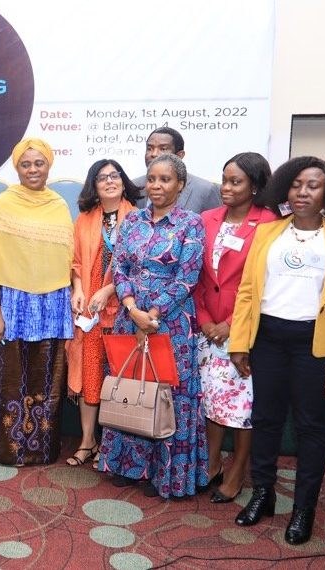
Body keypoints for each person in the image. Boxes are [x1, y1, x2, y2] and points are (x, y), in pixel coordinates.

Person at [229, 156, 325, 545]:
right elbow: (249, 293)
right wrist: (240, 343)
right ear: (285, 189)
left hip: (314, 345)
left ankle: (304, 509)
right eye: (297, 185)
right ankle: (263, 495)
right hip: (268, 338)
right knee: (265, 420)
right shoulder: (268, 233)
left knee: (311, 428)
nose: (303, 192)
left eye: (313, 186)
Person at [97, 153, 208, 499]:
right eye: (152, 179)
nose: (156, 186)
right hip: (130, 321)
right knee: (131, 388)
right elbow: (121, 270)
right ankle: (129, 466)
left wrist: (154, 314)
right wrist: (132, 309)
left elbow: (188, 277)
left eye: (165, 180)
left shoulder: (191, 224)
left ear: (181, 185)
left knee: (165, 395)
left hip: (170, 325)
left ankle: (164, 473)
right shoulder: (132, 222)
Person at [0, 137, 74, 466]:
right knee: (10, 380)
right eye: (25, 164)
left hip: (50, 306)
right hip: (12, 306)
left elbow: (67, 263)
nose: (33, 170)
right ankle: (10, 451)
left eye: (39, 163)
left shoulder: (59, 206)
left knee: (47, 378)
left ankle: (43, 449)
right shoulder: (1, 206)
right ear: (17, 168)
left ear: (49, 166)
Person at [193, 152, 278, 503]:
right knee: (211, 400)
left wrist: (230, 324)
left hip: (243, 331)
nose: (225, 187)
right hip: (206, 327)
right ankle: (212, 463)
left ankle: (239, 470)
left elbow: (266, 283)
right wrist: (206, 321)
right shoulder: (206, 218)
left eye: (235, 181)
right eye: (224, 179)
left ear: (255, 186)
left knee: (242, 408)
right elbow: (196, 275)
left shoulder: (270, 223)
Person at [64, 159, 140, 466]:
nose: (109, 181)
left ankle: (112, 447)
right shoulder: (84, 219)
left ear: (123, 182)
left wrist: (109, 290)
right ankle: (87, 442)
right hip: (90, 312)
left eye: (114, 175)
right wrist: (79, 289)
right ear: (93, 185)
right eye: (101, 177)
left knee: (118, 378)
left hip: (124, 308)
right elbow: (76, 262)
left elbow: (138, 268)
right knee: (90, 373)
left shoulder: (138, 218)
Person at [131, 127, 220, 213]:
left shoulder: (205, 189)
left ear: (180, 155)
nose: (154, 154)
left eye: (163, 149)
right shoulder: (134, 186)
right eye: (149, 149)